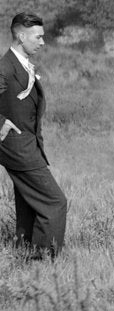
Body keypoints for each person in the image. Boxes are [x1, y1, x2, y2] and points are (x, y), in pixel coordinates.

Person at [0, 13, 68, 259]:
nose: (42, 42)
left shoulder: (20, 64)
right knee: (54, 202)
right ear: (21, 36)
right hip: (18, 148)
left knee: (29, 202)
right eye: (38, 37)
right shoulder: (5, 67)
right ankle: (42, 260)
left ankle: (23, 252)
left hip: (26, 145)